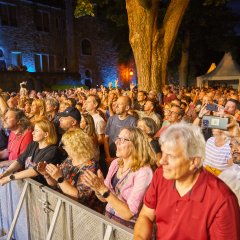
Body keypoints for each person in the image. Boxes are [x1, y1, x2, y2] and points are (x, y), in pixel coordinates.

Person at [134, 122, 240, 239]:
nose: (162, 161)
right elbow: (146, 216)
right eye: (163, 153)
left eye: (171, 156)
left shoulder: (222, 200)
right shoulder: (161, 174)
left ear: (194, 161)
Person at [84, 127, 155, 228]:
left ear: (136, 145)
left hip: (128, 229)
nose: (116, 142)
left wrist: (102, 189)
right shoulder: (115, 163)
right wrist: (97, 189)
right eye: (118, 138)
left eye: (122, 140)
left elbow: (129, 214)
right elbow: (105, 199)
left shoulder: (144, 172)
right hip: (109, 221)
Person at [37, 129, 102, 211]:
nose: (63, 148)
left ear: (74, 147)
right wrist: (47, 175)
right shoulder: (69, 160)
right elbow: (55, 184)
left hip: (84, 214)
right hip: (67, 208)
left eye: (65, 145)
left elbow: (79, 197)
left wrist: (59, 178)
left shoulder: (90, 166)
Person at [0, 120, 59, 185]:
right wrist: (6, 173)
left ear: (46, 134)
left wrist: (8, 178)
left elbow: (34, 171)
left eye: (36, 131)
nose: (33, 133)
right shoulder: (33, 144)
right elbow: (20, 161)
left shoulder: (52, 151)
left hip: (40, 189)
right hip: (28, 185)